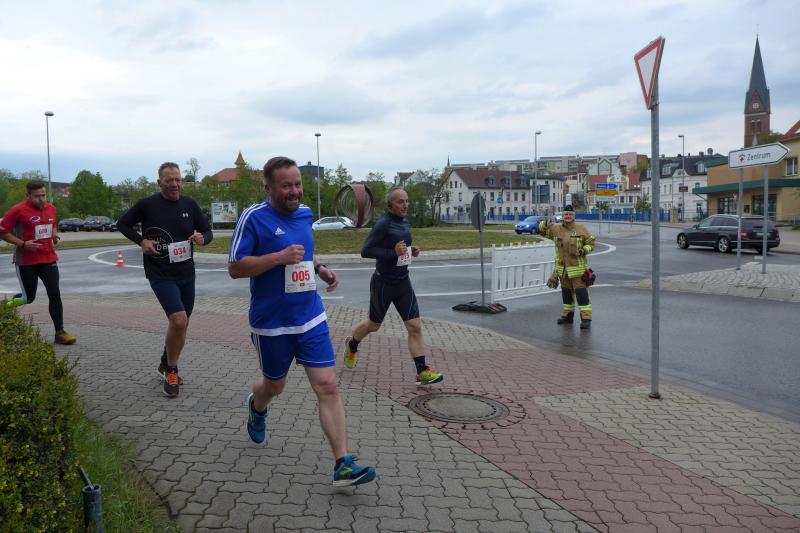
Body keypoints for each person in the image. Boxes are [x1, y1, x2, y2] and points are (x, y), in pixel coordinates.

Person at [228, 156, 376, 487]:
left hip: (310, 316)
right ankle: (257, 407)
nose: (295, 191)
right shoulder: (254, 218)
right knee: (274, 387)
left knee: (328, 385)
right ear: (268, 188)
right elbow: (235, 268)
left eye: (298, 184)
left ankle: (342, 464)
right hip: (272, 324)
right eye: (286, 186)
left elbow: (305, 253)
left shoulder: (306, 213)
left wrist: (320, 269)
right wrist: (278, 258)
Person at [117, 162, 213, 398]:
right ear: (159, 182)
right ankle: (172, 370)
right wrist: (142, 241)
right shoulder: (147, 204)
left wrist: (203, 238)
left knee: (182, 324)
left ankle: (164, 361)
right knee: (179, 321)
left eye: (178, 179)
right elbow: (123, 224)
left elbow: (207, 231)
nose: (175, 184)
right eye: (169, 180)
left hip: (186, 273)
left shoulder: (189, 204)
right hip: (160, 273)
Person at [342, 186, 444, 386]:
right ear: (390, 205)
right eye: (400, 201)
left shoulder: (405, 221)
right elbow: (366, 251)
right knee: (374, 325)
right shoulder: (383, 224)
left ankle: (422, 372)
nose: (405, 205)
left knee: (415, 326)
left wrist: (411, 251)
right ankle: (352, 344)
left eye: (406, 201)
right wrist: (392, 252)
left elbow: (401, 247)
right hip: (383, 283)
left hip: (403, 281)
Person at [1, 181, 76, 344]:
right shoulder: (17, 210)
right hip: (26, 261)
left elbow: (52, 224)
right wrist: (23, 244)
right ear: (27, 195)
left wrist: (54, 235)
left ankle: (60, 333)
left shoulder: (51, 208)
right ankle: (4, 306)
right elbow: (3, 232)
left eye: (43, 195)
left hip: (48, 258)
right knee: (28, 298)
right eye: (37, 196)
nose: (41, 199)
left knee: (55, 294)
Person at [538, 204, 595, 329]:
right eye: (565, 214)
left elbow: (591, 243)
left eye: (570, 214)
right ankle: (568, 316)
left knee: (581, 295)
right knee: (566, 294)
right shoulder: (556, 229)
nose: (568, 216)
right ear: (562, 216)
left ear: (574, 216)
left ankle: (586, 319)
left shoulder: (581, 229)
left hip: (578, 270)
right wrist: (546, 223)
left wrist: (583, 250)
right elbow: (540, 231)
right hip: (563, 270)